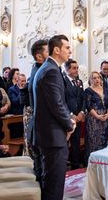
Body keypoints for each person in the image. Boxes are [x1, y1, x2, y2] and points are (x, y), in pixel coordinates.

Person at [32, 35, 75, 200]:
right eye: (67, 48)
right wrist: (70, 124)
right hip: (52, 136)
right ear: (57, 50)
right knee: (53, 185)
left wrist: (69, 119)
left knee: (52, 181)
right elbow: (56, 104)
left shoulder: (50, 68)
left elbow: (59, 101)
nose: (70, 51)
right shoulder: (50, 70)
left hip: (50, 134)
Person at [21, 39, 48, 183]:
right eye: (47, 51)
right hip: (42, 127)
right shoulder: (42, 73)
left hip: (38, 125)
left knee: (41, 169)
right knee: (44, 172)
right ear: (39, 56)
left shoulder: (37, 70)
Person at [84, 71, 108, 159]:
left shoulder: (105, 89)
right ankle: (92, 162)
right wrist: (97, 116)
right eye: (94, 78)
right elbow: (88, 106)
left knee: (104, 139)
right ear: (90, 80)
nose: (97, 79)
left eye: (98, 77)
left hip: (105, 118)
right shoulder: (88, 90)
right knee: (94, 140)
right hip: (94, 119)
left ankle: (103, 161)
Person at [63, 59, 86, 170]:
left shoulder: (79, 82)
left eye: (77, 68)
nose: (77, 70)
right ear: (67, 70)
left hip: (78, 116)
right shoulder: (63, 82)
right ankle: (63, 166)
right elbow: (62, 101)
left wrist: (81, 112)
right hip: (67, 117)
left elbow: (83, 98)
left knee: (76, 142)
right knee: (65, 143)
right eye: (74, 68)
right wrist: (71, 114)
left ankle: (75, 166)